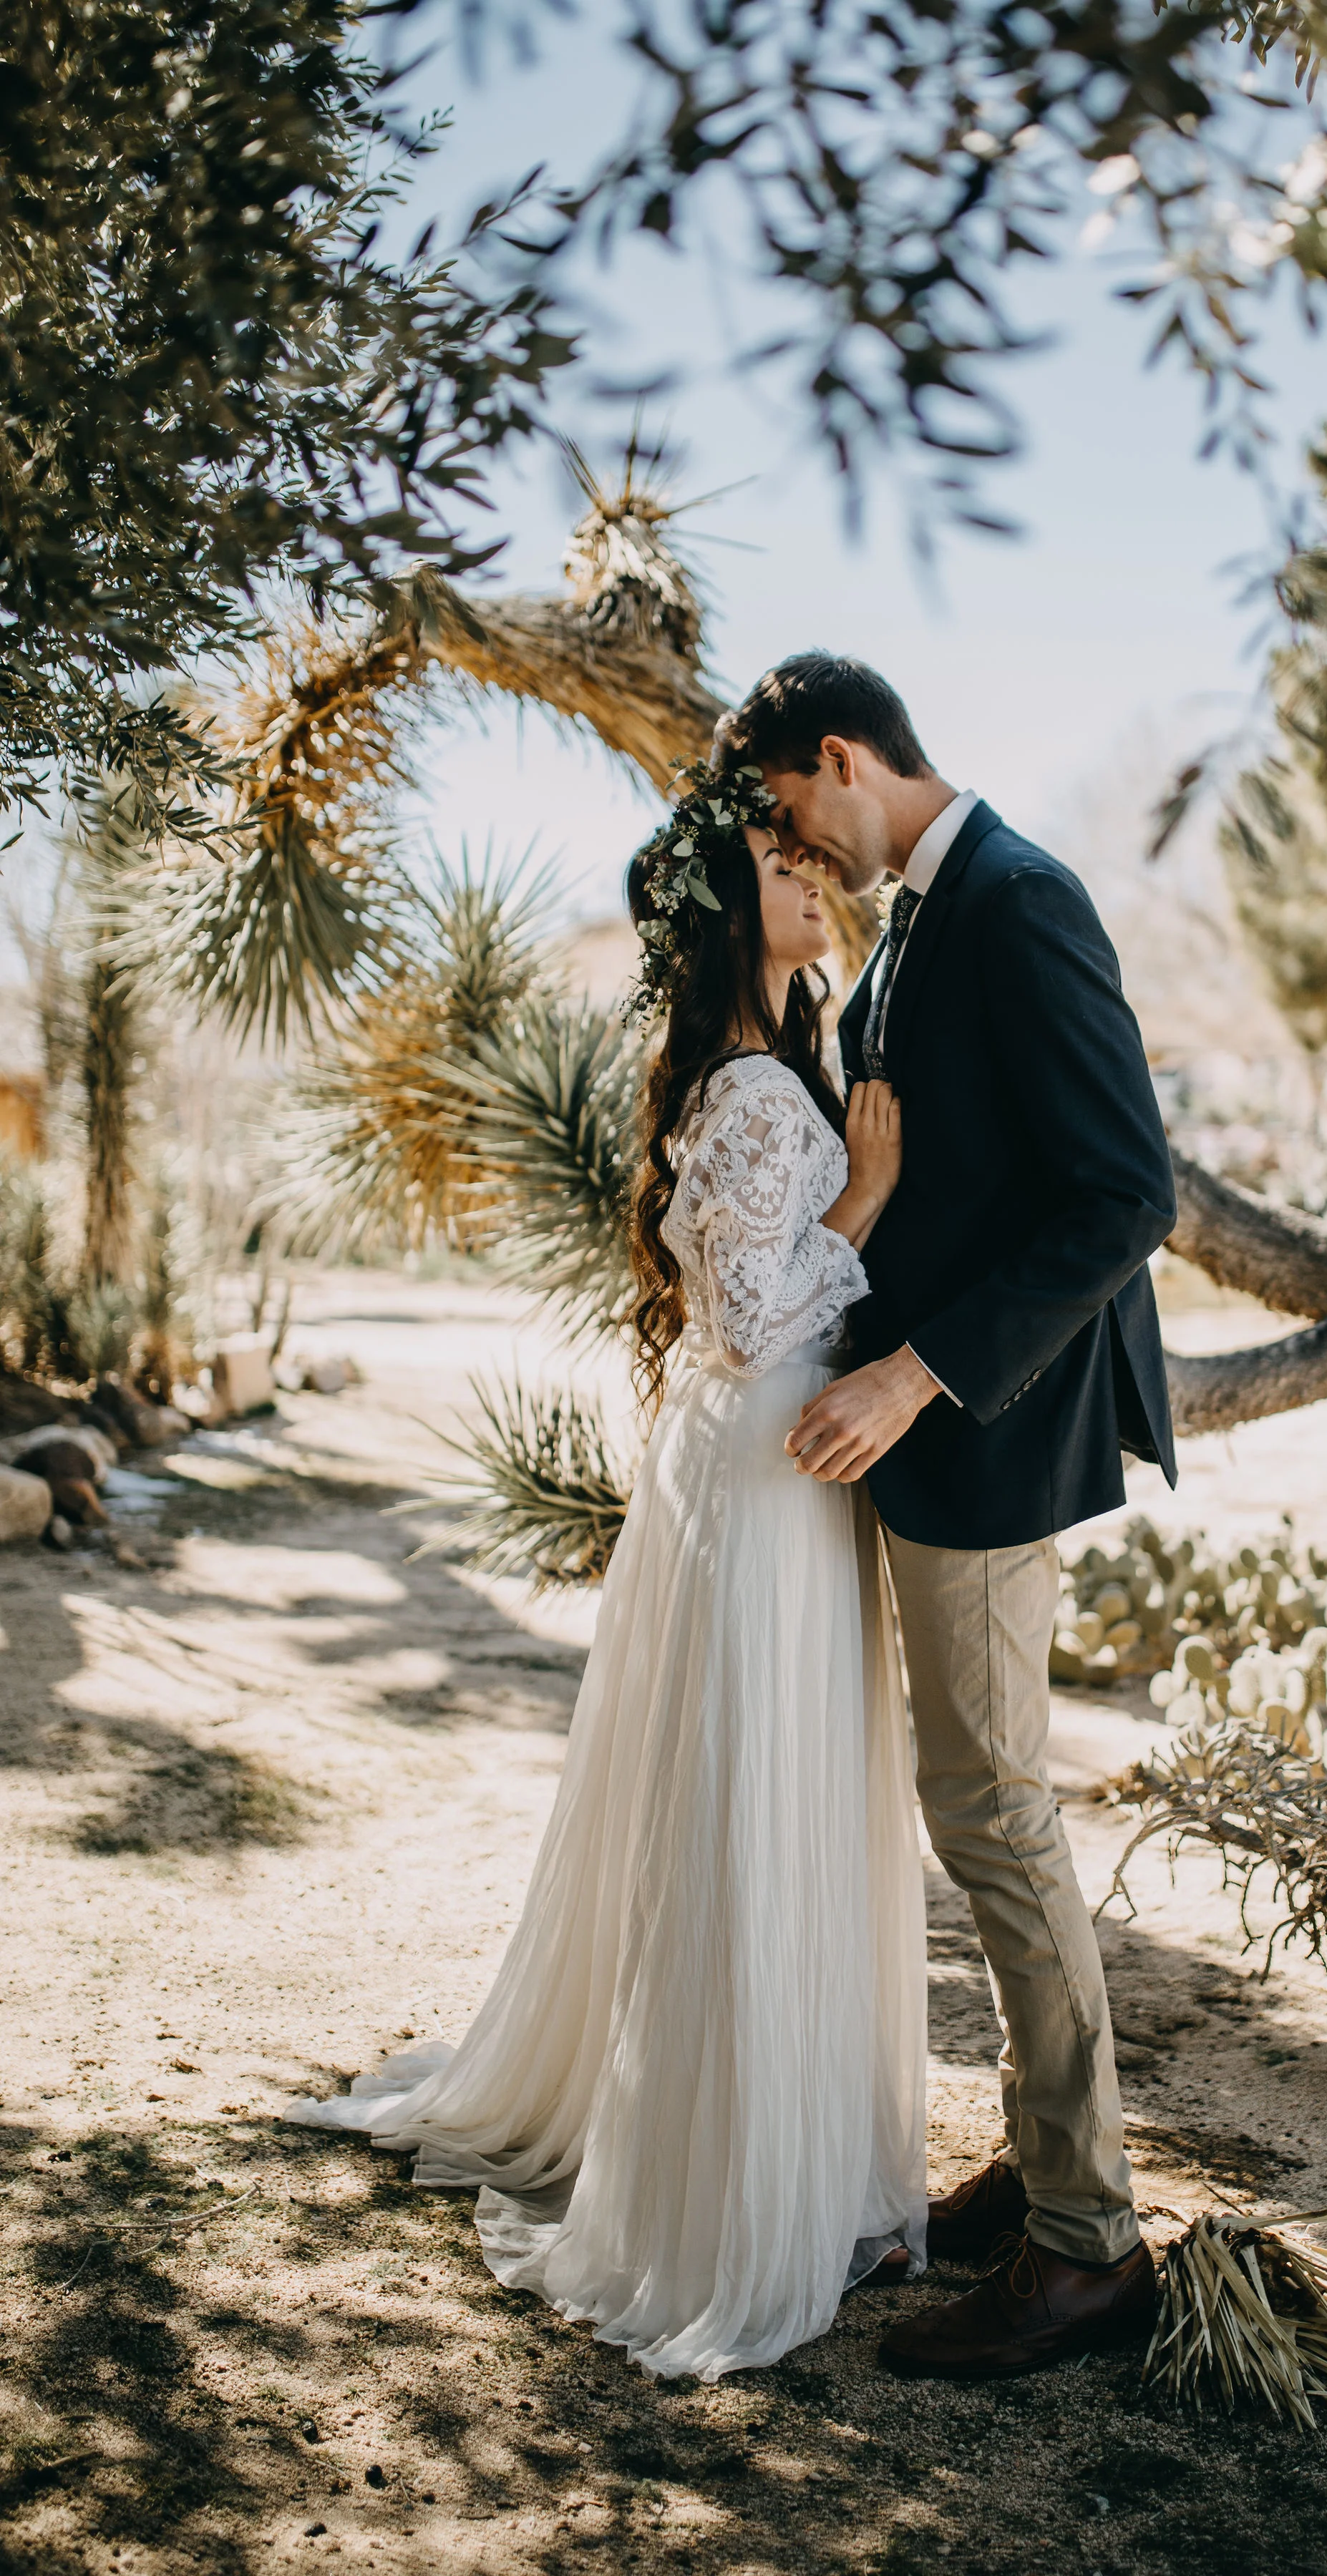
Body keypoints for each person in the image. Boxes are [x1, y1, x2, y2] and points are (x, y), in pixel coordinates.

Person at [286, 765, 928, 2383]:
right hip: (771, 1458)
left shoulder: (760, 1071)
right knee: (755, 1794)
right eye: (779, 863)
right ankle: (735, 2180)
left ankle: (763, 2138)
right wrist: (868, 1193)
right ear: (729, 917)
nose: (810, 874)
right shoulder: (757, 1093)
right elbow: (756, 1320)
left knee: (748, 1788)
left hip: (751, 1463)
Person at [714, 654, 1178, 2380]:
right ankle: (1050, 2169)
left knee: (993, 1813)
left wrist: (913, 1378)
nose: (793, 844)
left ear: (841, 758)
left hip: (987, 1440)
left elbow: (1126, 1194)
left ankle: (1088, 2247)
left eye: (787, 807)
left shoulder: (1019, 897)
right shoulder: (920, 914)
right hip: (931, 1437)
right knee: (975, 1807)